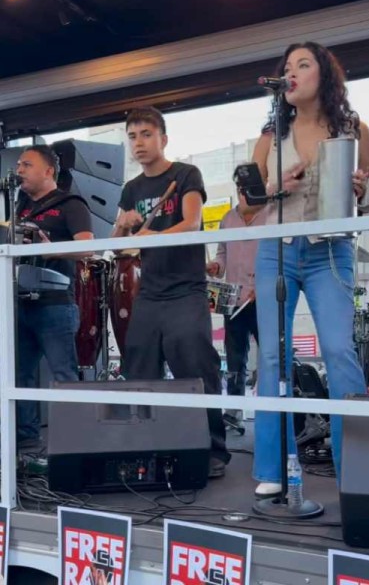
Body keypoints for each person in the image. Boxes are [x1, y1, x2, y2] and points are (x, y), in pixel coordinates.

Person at [250, 41, 369, 498]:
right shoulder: (270, 137)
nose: (293, 73)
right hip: (277, 249)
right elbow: (247, 206)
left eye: (303, 64)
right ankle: (272, 468)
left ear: (325, 74)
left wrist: (362, 190)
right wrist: (273, 189)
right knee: (271, 358)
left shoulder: (353, 128)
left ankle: (358, 468)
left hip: (330, 250)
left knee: (340, 352)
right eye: (287, 67)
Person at [111, 106, 230, 478]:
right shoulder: (131, 190)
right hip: (150, 294)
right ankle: (141, 448)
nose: (139, 143)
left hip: (187, 291)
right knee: (138, 371)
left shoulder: (185, 174)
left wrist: (153, 236)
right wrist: (124, 227)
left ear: (163, 138)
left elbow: (192, 223)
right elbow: (116, 248)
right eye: (132, 136)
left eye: (146, 134)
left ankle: (213, 450)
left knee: (196, 369)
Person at [14, 144, 94, 447]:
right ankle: (25, 441)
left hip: (55, 305)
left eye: (27, 165)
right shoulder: (17, 205)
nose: (19, 169)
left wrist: (47, 247)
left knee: (63, 374)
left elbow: (87, 247)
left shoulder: (70, 203)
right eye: (19, 164)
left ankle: (74, 445)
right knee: (20, 375)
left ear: (48, 171)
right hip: (18, 302)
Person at [207, 189, 269, 432]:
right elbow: (222, 252)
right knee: (235, 359)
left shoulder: (270, 216)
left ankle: (270, 408)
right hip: (233, 300)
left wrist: (262, 285)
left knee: (270, 356)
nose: (245, 195)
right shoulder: (227, 219)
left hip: (262, 298)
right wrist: (216, 266)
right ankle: (234, 412)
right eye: (242, 191)